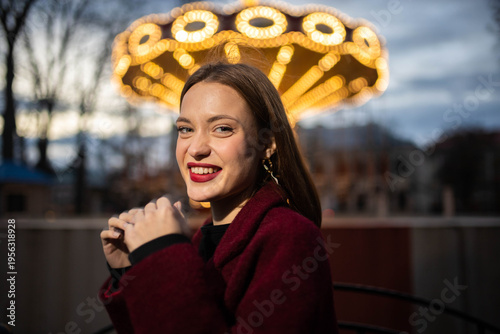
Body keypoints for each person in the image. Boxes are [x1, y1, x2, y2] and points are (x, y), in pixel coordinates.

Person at [99, 62, 339, 333]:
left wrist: (162, 254)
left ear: (267, 144)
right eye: (186, 129)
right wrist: (131, 271)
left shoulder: (292, 238)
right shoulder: (204, 239)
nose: (196, 149)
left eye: (222, 128)